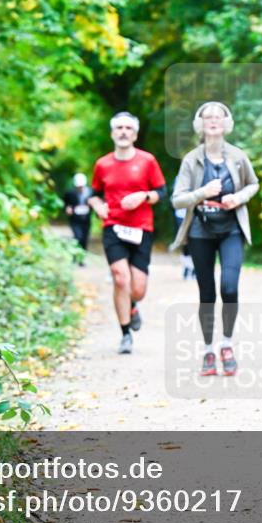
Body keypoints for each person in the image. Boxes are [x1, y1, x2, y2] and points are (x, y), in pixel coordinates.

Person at [171, 102, 259, 376]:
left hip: (231, 229)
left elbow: (253, 184)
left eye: (218, 116)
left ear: (226, 122)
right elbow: (177, 200)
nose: (212, 120)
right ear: (200, 124)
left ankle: (227, 344)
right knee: (206, 293)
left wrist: (239, 197)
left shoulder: (237, 156)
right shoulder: (191, 159)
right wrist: (202, 193)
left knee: (229, 288)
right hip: (200, 232)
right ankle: (208, 349)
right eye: (207, 116)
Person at [88, 112, 167, 354]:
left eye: (128, 128)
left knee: (138, 289)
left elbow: (161, 192)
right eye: (119, 128)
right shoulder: (103, 164)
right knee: (119, 277)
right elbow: (93, 195)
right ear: (113, 133)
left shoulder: (147, 161)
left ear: (134, 134)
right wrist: (98, 206)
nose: (123, 132)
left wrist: (143, 196)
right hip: (113, 226)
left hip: (141, 228)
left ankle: (132, 306)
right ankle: (125, 335)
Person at [63, 172, 93, 260]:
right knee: (77, 237)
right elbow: (66, 204)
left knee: (84, 238)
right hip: (75, 219)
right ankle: (75, 256)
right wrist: (67, 209)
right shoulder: (70, 193)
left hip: (86, 219)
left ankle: (82, 258)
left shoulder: (90, 192)